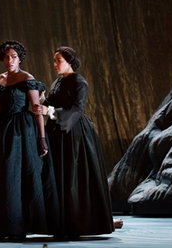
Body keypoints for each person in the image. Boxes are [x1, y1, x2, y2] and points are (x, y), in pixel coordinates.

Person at [0, 40, 59, 241]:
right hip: (1, 131)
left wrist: (41, 138)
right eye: (6, 57)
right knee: (0, 177)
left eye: (13, 56)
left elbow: (36, 110)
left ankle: (18, 227)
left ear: (20, 58)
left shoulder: (27, 79)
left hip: (23, 131)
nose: (9, 60)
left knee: (19, 177)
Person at [33, 46, 121, 240]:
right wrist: (43, 102)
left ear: (70, 61)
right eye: (54, 60)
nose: (55, 64)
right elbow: (52, 103)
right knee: (58, 176)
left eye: (59, 60)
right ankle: (60, 222)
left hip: (74, 134)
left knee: (73, 176)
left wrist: (51, 112)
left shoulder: (79, 81)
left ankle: (75, 222)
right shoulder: (57, 82)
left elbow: (77, 108)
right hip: (57, 134)